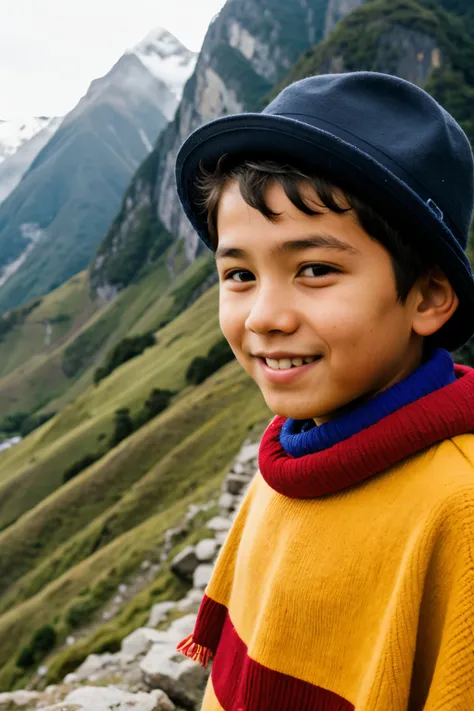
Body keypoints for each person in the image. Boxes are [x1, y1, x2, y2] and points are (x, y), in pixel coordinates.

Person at [174, 72, 474, 710]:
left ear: (427, 296)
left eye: (314, 269)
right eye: (238, 274)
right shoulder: (296, 457)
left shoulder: (461, 515)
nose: (263, 316)